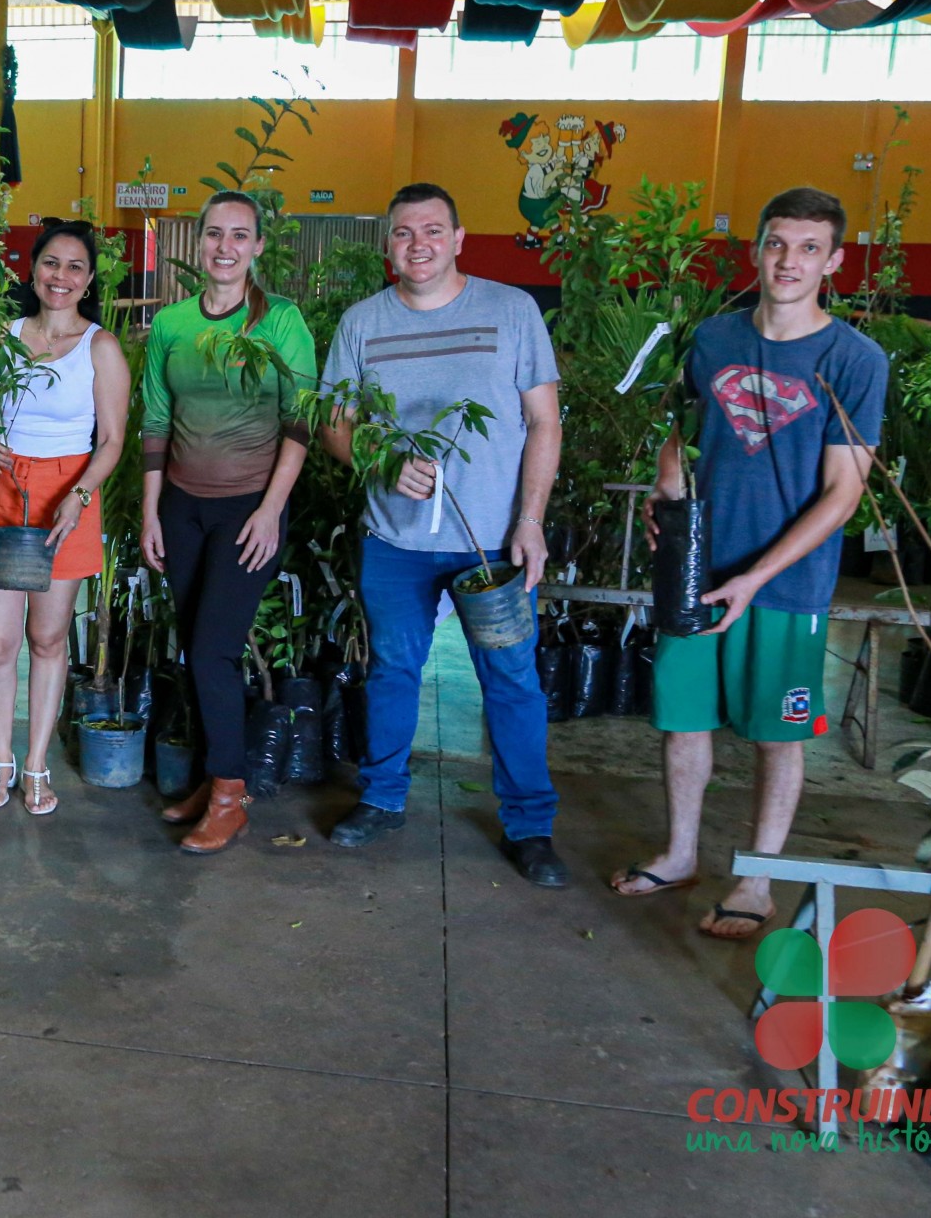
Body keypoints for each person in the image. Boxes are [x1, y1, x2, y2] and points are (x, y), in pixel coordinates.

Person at [611, 187, 885, 940]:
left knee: (778, 733)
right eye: (775, 243)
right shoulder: (715, 338)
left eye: (806, 248)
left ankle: (757, 881)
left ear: (833, 260)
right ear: (756, 248)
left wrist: (755, 578)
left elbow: (840, 496)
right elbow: (684, 422)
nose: (787, 261)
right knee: (684, 720)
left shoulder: (854, 360)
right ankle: (680, 852)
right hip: (697, 566)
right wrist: (668, 487)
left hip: (787, 583)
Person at [318, 182, 568, 887]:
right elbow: (335, 424)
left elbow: (544, 422)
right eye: (403, 232)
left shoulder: (511, 311)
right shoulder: (362, 323)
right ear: (388, 243)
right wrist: (380, 458)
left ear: (459, 240)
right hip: (395, 539)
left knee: (512, 678)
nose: (417, 244)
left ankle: (530, 824)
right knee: (393, 669)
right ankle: (381, 797)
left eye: (432, 231)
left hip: (490, 542)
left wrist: (530, 521)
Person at [142, 190, 313, 855]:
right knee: (194, 650)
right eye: (215, 234)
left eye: (240, 236)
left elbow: (300, 421)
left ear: (258, 247)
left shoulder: (281, 323)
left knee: (214, 651)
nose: (225, 247)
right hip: (183, 506)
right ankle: (216, 778)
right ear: (199, 243)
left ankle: (229, 796)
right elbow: (155, 421)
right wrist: (155, 508)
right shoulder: (172, 325)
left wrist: (272, 511)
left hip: (249, 509)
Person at [0, 220, 129, 814]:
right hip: (3, 488)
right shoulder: (2, 338)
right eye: (51, 264)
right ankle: (0, 759)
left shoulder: (100, 347)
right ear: (32, 273)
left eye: (75, 267)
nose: (62, 277)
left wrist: (79, 494)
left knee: (48, 636)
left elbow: (111, 440)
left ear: (88, 281)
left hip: (69, 494)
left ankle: (36, 763)